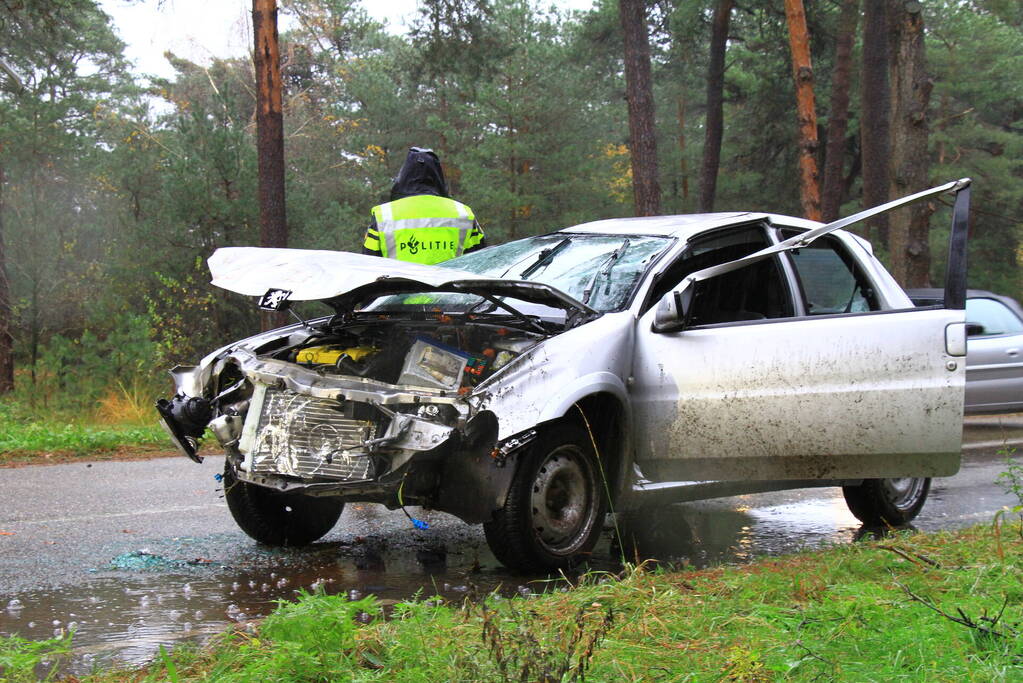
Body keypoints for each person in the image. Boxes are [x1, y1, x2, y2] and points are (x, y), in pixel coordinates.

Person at [363, 147, 485, 265]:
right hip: (450, 286)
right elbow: (481, 261)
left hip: (398, 286)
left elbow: (369, 262)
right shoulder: (463, 213)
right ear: (438, 177)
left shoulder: (383, 214)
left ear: (405, 174)